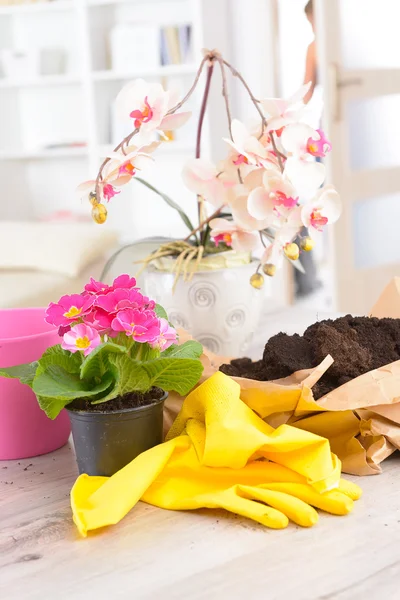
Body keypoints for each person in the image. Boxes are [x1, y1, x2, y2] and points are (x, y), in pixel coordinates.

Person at [294, 0, 322, 298]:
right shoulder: (316, 46)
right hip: (324, 127)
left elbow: (306, 90)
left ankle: (308, 280)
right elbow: (306, 94)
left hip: (326, 131)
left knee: (309, 202)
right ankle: (308, 280)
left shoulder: (315, 48)